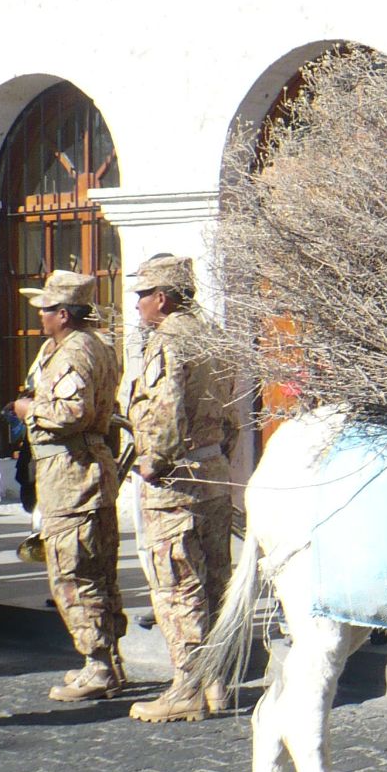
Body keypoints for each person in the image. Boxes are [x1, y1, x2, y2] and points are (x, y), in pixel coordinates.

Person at [121, 255, 241, 723]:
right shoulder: (212, 335)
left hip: (176, 482)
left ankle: (187, 687)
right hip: (212, 472)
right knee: (214, 580)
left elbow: (166, 408)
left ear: (163, 299)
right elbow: (232, 407)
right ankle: (215, 684)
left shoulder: (168, 340)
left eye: (142, 296)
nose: (137, 307)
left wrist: (154, 460)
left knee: (178, 585)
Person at [13, 271, 127, 702]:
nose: (39, 316)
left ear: (63, 314)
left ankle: (98, 665)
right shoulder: (62, 347)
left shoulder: (78, 350)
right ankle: (105, 661)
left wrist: (29, 409)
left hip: (74, 474)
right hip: (68, 472)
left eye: (45, 309)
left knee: (75, 571)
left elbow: (71, 412)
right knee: (92, 569)